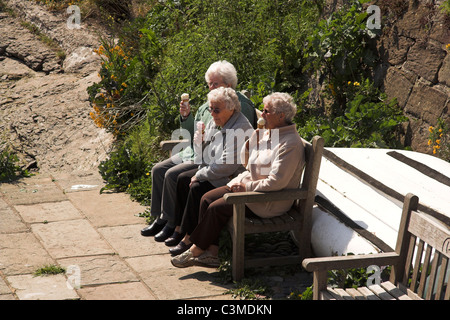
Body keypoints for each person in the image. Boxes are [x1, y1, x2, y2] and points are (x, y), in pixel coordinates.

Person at [170, 92, 305, 268]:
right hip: (249, 186)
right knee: (206, 198)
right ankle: (212, 252)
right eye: (262, 110)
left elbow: (276, 182)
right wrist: (251, 143)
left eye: (266, 111)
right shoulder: (270, 133)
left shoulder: (290, 144)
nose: (262, 115)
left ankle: (195, 250)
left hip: (268, 200)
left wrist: (246, 186)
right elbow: (247, 164)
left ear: (281, 116)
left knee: (216, 208)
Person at [140, 61, 256, 243]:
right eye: (209, 83)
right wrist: (186, 117)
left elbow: (234, 139)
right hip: (197, 152)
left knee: (173, 175)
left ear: (228, 84)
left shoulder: (238, 105)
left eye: (215, 84)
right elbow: (191, 133)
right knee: (158, 169)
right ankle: (161, 218)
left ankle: (174, 223)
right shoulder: (208, 104)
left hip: (214, 157)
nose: (210, 87)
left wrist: (202, 161)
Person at [168, 87, 254, 255]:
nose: (212, 114)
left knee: (197, 188)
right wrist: (199, 142)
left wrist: (199, 174)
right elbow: (202, 155)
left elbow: (226, 166)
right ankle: (179, 229)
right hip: (215, 169)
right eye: (210, 109)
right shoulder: (217, 121)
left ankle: (189, 237)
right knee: (182, 179)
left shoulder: (240, 128)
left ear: (231, 108)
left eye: (216, 109)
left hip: (231, 176)